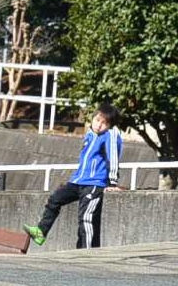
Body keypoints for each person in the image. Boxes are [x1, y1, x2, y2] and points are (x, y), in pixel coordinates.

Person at [24, 103, 122, 248]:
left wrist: (112, 182)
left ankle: (87, 252)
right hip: (77, 181)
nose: (99, 125)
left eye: (104, 123)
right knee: (55, 199)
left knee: (86, 219)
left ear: (110, 125)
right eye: (97, 120)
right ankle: (41, 231)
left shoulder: (110, 135)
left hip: (94, 184)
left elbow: (113, 158)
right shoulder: (90, 136)